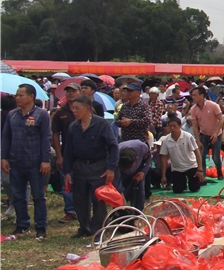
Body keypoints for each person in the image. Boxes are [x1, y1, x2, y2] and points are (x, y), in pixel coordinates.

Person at [1, 84, 52, 239]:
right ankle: (22, 225)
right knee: (18, 195)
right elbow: (6, 137)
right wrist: (3, 157)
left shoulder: (41, 115)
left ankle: (40, 226)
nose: (17, 98)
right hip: (16, 162)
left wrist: (45, 160)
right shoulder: (12, 115)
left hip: (35, 163)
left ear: (31, 97)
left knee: (38, 196)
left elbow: (46, 138)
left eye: (21, 95)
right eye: (17, 95)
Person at [63, 96, 118, 238]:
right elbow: (68, 150)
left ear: (87, 109)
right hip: (80, 166)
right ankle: (84, 227)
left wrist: (111, 168)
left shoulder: (101, 124)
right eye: (73, 108)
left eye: (77, 108)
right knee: (80, 199)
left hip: (98, 166)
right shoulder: (73, 127)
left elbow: (113, 146)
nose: (74, 111)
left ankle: (97, 229)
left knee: (98, 199)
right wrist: (67, 171)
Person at [50, 82, 80, 224]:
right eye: (68, 91)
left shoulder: (88, 110)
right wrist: (59, 155)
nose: (70, 93)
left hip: (85, 154)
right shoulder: (60, 113)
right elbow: (55, 134)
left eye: (73, 91)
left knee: (83, 183)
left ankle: (83, 209)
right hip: (66, 153)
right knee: (66, 183)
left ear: (79, 93)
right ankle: (70, 211)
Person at [158, 115, 204, 194]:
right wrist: (163, 175)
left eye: (174, 126)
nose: (172, 128)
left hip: (191, 166)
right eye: (170, 126)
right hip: (177, 168)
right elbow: (164, 158)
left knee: (194, 188)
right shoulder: (165, 140)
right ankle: (183, 183)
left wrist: (200, 169)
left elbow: (197, 152)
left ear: (180, 126)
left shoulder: (188, 136)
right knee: (177, 190)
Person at [189, 86, 224, 182]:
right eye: (192, 95)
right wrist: (197, 140)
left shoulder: (213, 105)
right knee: (201, 155)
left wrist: (216, 133)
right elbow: (195, 126)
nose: (193, 97)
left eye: (195, 95)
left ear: (202, 95)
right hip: (203, 134)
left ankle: (219, 172)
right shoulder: (193, 109)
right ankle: (203, 177)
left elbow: (221, 119)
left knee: (215, 156)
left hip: (216, 133)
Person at [117, 139, 152, 209]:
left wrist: (143, 171)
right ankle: (119, 211)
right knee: (119, 193)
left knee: (140, 190)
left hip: (138, 169)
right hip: (120, 172)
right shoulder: (115, 153)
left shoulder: (143, 148)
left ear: (136, 159)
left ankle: (138, 214)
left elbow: (149, 159)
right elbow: (116, 178)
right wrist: (120, 193)